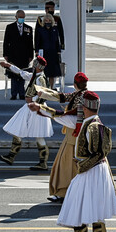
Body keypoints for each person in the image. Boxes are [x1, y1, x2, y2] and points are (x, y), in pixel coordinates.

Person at [57, 91, 116, 232]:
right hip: (96, 171)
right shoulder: (92, 122)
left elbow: (99, 153)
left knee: (78, 208)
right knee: (96, 211)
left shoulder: (92, 126)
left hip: (91, 171)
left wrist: (82, 166)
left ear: (84, 107)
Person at [28, 72, 89, 203]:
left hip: (74, 137)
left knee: (64, 168)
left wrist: (43, 109)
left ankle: (63, 193)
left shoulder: (80, 97)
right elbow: (61, 97)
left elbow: (69, 118)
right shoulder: (82, 94)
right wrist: (43, 94)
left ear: (74, 84)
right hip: (77, 136)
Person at [0, 56, 53, 170]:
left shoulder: (40, 78)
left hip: (35, 108)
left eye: (35, 63)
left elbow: (44, 94)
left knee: (35, 135)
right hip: (32, 107)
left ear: (38, 66)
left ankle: (41, 163)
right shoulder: (35, 76)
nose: (33, 64)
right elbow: (22, 73)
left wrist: (33, 101)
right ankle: (13, 157)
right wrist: (9, 66)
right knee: (25, 131)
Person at [3, 10, 33, 100]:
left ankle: (22, 93)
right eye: (20, 17)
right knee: (13, 74)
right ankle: (14, 93)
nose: (21, 19)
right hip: (13, 54)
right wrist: (5, 54)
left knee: (22, 74)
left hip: (24, 55)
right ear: (16, 17)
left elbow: (30, 43)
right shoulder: (10, 27)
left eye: (23, 17)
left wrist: (31, 55)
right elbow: (6, 42)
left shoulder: (28, 28)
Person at [34, 13, 62, 88]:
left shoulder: (55, 29)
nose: (48, 22)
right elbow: (37, 42)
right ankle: (44, 88)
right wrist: (36, 52)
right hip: (44, 54)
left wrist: (59, 52)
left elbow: (57, 42)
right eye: (46, 20)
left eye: (49, 20)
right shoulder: (40, 30)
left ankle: (51, 88)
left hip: (53, 54)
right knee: (44, 73)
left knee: (52, 74)